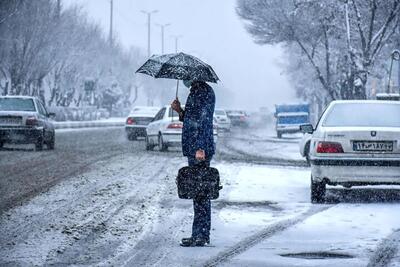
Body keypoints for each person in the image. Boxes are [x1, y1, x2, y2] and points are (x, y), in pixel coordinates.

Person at [171, 80, 216, 247]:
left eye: (187, 76)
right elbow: (191, 118)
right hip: (194, 148)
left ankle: (201, 235)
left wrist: (200, 147)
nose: (184, 80)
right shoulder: (196, 91)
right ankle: (198, 233)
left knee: (201, 193)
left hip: (199, 150)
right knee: (198, 192)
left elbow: (204, 120)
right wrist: (179, 111)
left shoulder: (203, 92)